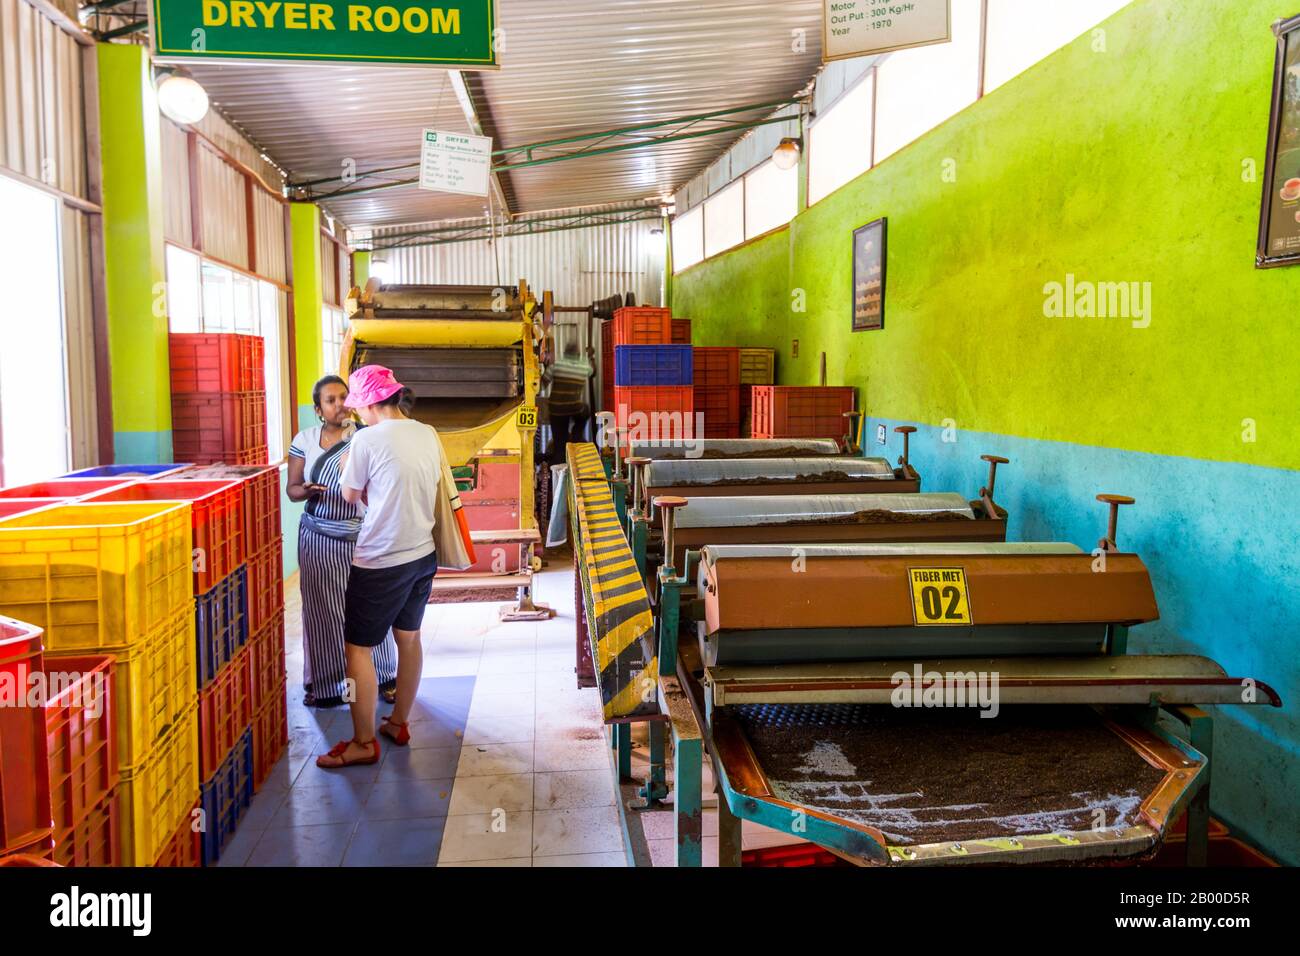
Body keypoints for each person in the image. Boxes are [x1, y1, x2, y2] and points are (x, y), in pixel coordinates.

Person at [316, 365, 443, 768]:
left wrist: (348, 463)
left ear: (371, 402)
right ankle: (399, 722)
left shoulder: (367, 440)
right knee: (409, 639)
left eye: (359, 406)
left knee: (358, 649)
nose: (358, 414)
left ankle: (362, 741)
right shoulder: (428, 432)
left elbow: (350, 495)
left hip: (380, 560)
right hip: (422, 554)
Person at [286, 375, 399, 707]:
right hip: (318, 537)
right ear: (318, 408)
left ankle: (383, 677)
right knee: (323, 612)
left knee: (368, 607)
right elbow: (292, 490)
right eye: (330, 400)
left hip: (362, 534)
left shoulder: (365, 437)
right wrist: (303, 490)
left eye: (343, 398)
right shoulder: (304, 440)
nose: (339, 405)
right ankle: (327, 686)